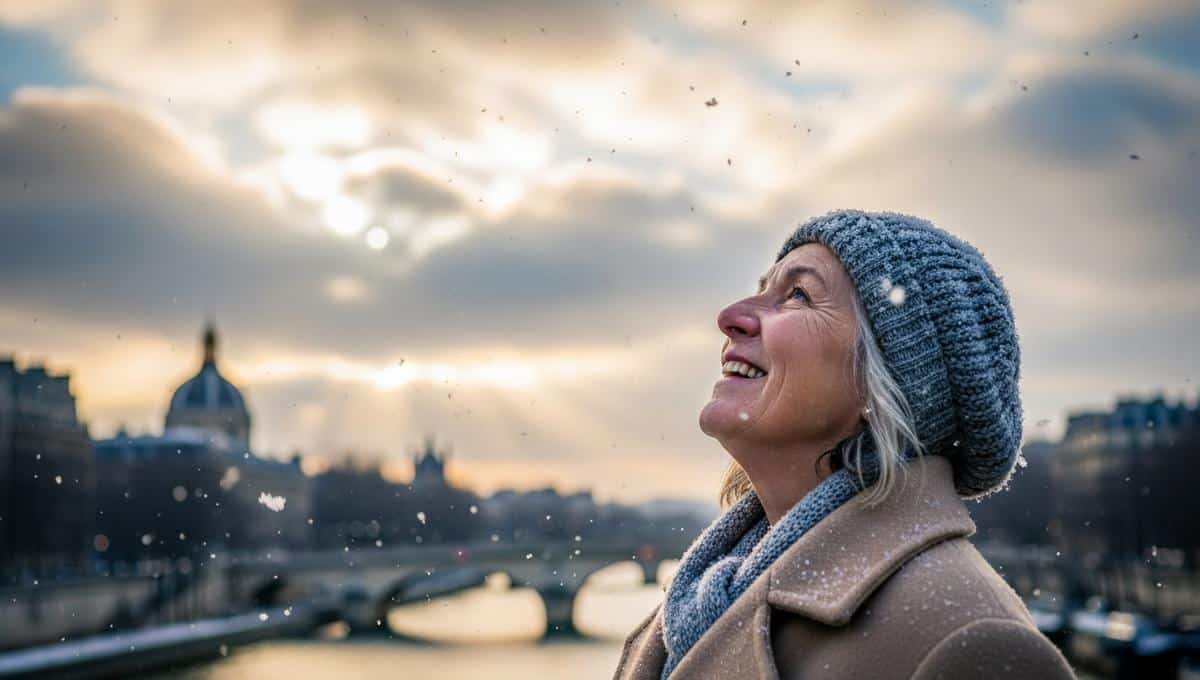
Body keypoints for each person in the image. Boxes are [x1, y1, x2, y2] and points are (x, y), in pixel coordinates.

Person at [613, 209, 1077, 679]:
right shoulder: (706, 597)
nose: (730, 316)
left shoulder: (971, 643)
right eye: (762, 289)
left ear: (887, 383)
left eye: (798, 295)